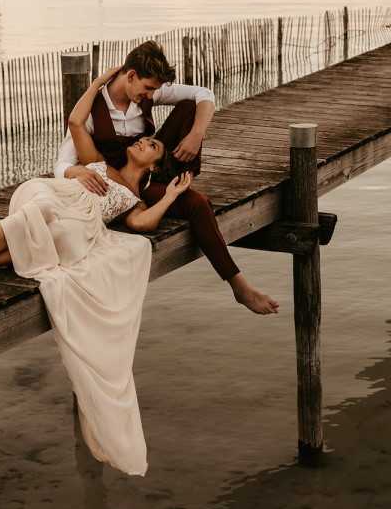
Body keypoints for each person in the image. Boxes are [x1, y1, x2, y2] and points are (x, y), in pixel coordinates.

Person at [0, 67, 192, 476]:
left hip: (79, 223)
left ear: (155, 166)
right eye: (145, 137)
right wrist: (101, 82)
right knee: (44, 212)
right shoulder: (97, 162)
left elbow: (142, 226)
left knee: (63, 241)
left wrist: (172, 196)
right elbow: (74, 121)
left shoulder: (136, 197)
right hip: (53, 195)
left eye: (151, 144)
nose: (143, 140)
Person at [54, 40, 279, 315]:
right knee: (198, 204)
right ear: (131, 76)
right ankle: (239, 286)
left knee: (188, 106)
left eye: (155, 90)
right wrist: (75, 170)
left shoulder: (149, 95)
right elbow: (62, 161)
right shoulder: (94, 109)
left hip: (150, 171)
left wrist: (196, 135)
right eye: (148, 88)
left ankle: (181, 179)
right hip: (124, 188)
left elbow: (204, 93)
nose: (151, 95)